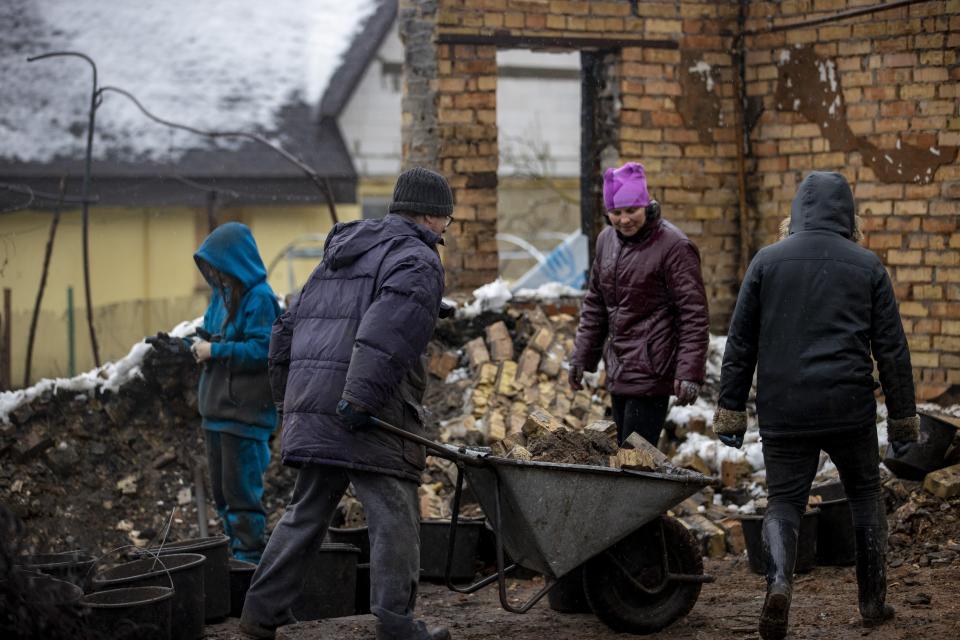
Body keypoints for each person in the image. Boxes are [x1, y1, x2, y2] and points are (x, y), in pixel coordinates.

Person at [240, 167, 453, 640]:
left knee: (307, 509)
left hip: (317, 404)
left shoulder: (340, 252)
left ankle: (259, 613)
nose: (445, 232)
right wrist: (359, 399)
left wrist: (289, 404)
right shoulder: (417, 258)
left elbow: (284, 332)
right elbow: (386, 336)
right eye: (447, 222)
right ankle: (397, 625)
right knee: (394, 512)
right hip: (368, 408)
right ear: (431, 215)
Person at [713, 171, 920, 640]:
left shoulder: (766, 262)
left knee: (783, 502)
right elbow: (892, 350)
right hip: (848, 403)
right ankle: (872, 602)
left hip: (785, 405)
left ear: (796, 213)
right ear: (849, 216)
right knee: (865, 496)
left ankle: (780, 583)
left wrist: (731, 410)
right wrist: (904, 423)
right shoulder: (867, 265)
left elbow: (740, 343)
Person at [569, 161, 709, 446]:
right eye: (616, 213)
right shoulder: (607, 241)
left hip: (652, 371)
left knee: (636, 459)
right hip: (619, 366)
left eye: (631, 210)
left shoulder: (674, 247)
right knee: (624, 454)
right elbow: (596, 303)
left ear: (646, 204)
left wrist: (689, 372)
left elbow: (693, 314)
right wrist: (582, 356)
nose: (624, 220)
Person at [192, 222, 281, 564]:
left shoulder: (260, 299)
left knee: (243, 500)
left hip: (244, 416)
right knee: (225, 499)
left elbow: (263, 350)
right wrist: (192, 344)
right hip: (215, 413)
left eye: (216, 264)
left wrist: (215, 352)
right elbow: (212, 334)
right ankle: (235, 560)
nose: (212, 272)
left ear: (234, 261)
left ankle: (249, 568)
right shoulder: (221, 294)